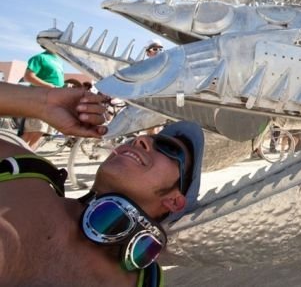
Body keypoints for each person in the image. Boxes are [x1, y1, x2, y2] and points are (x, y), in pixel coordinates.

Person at [0, 82, 204, 286]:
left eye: (168, 148)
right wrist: (43, 103)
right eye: (144, 137)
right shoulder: (24, 170)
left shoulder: (148, 281)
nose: (141, 140)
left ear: (174, 201)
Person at [22, 48, 65, 149]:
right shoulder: (39, 58)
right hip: (40, 99)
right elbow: (28, 77)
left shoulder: (59, 61)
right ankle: (12, 157)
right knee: (31, 131)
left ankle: (29, 157)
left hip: (53, 101)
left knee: (40, 133)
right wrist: (50, 86)